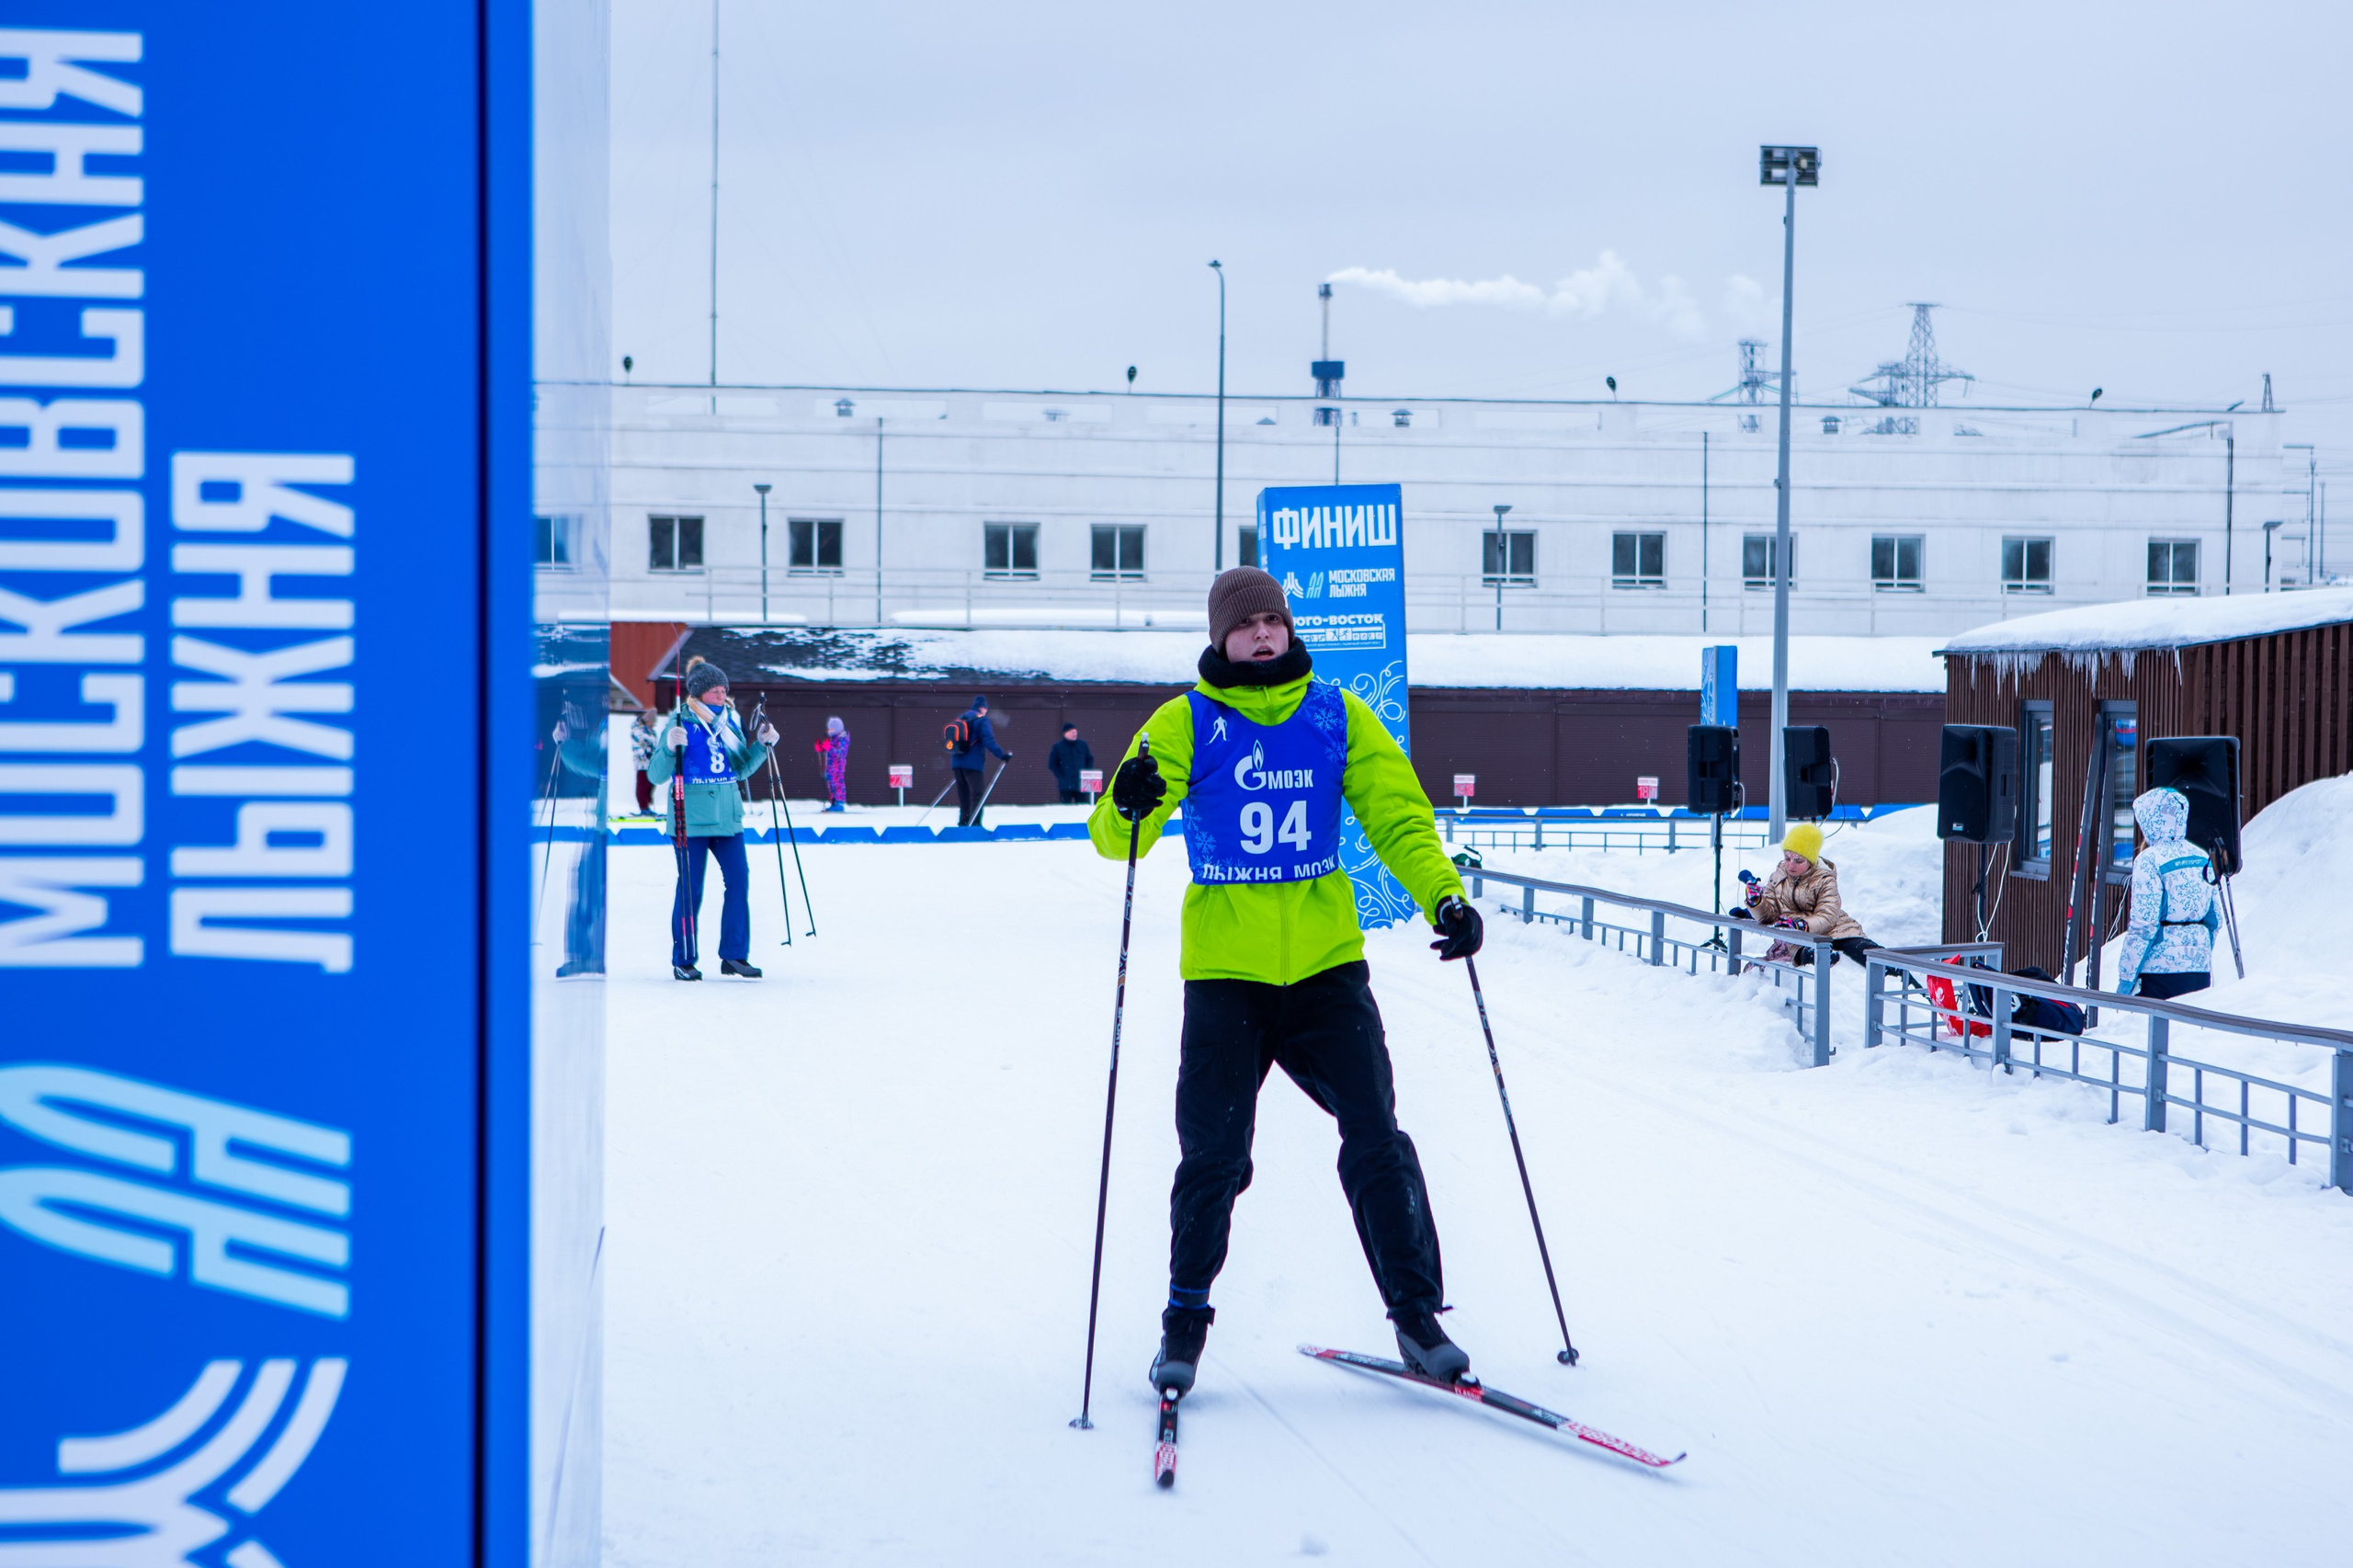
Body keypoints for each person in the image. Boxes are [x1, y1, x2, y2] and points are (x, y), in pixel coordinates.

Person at [1091, 565, 1484, 1397]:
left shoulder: (1336, 714)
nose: (1263, 634)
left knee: (1377, 1138)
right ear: (1220, 637)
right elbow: (1113, 836)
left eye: (1274, 619)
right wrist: (1128, 801)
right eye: (1246, 624)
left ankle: (1417, 1319)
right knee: (1215, 1156)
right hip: (1227, 977)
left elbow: (1398, 816)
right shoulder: (1184, 720)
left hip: (1324, 970)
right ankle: (1183, 1325)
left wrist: (1443, 897)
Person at [647, 663, 778, 981]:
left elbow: (740, 770)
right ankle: (684, 959)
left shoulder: (730, 720)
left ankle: (734, 955)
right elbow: (656, 775)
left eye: (724, 688)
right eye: (716, 689)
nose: (723, 693)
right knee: (691, 889)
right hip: (689, 820)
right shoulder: (681, 720)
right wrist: (667, 748)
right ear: (699, 692)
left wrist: (762, 746)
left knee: (739, 882)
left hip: (728, 818)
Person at [2114, 786, 2218, 1000]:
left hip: (2159, 972)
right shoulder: (2202, 856)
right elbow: (2215, 919)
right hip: (2199, 970)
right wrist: (2197, 951)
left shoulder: (2149, 860)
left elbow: (2144, 925)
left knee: (2153, 1032)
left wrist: (2126, 979)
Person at [1731, 823, 1879, 967]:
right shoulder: (1778, 876)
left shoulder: (1824, 879)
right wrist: (1756, 902)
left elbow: (1828, 915)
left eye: (1798, 860)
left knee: (1863, 951)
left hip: (1836, 929)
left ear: (1811, 861)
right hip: (1799, 938)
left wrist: (1803, 925)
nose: (1790, 865)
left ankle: (1893, 967)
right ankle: (1821, 959)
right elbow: (1768, 916)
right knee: (1809, 954)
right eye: (1787, 858)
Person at [949, 693, 1011, 827]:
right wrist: (1001, 755)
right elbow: (988, 740)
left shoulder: (961, 719)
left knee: (964, 794)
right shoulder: (981, 720)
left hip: (956, 762)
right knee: (977, 794)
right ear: (983, 708)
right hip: (973, 764)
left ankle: (963, 822)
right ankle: (975, 824)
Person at [1047, 722, 1096, 804]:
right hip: (1065, 785)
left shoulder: (1082, 745)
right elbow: (1052, 764)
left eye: (1076, 732)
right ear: (1066, 733)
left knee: (1082, 807)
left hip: (1081, 784)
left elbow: (1089, 759)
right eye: (1072, 732)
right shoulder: (1058, 747)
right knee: (1066, 809)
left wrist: (1086, 772)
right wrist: (1061, 776)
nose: (1075, 734)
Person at [814, 716, 851, 812]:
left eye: (832, 729)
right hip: (830, 766)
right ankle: (834, 802)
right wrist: (821, 748)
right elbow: (828, 749)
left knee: (837, 784)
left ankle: (839, 803)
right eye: (829, 729)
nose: (829, 731)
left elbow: (841, 753)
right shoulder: (833, 739)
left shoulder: (842, 739)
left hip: (837, 767)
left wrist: (829, 748)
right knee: (831, 784)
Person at [630, 708, 658, 815]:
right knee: (642, 784)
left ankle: (647, 805)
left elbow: (655, 744)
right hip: (642, 763)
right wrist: (646, 752)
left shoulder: (652, 732)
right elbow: (638, 744)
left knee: (651, 783)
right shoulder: (638, 729)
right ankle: (643, 807)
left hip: (651, 763)